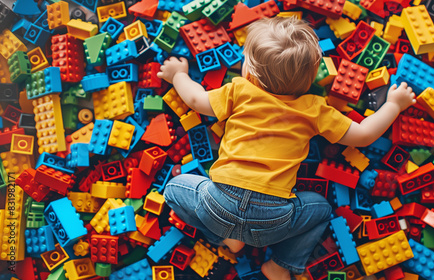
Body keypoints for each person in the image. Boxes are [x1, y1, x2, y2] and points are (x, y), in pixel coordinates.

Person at [157, 16, 415, 280]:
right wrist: (393, 104)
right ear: (311, 78)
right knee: (323, 209)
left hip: (219, 202)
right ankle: (281, 265)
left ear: (250, 72)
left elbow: (194, 99)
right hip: (274, 220)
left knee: (174, 189)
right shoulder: (314, 109)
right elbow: (364, 135)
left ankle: (226, 236)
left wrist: (178, 74)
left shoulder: (240, 91)